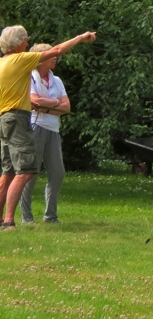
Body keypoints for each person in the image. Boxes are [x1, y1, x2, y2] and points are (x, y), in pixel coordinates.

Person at [0, 26, 95, 229]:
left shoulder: (2, 63)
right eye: (25, 40)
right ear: (17, 44)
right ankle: (9, 221)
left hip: (5, 119)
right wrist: (80, 37)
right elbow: (58, 50)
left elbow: (62, 106)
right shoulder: (20, 60)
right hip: (18, 118)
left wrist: (46, 105)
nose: (27, 44)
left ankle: (2, 219)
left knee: (8, 172)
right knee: (25, 171)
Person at [19, 43, 70, 224]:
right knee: (30, 172)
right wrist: (56, 103)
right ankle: (26, 217)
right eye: (50, 55)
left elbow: (67, 106)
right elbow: (33, 101)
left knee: (57, 172)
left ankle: (51, 215)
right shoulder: (29, 78)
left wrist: (47, 106)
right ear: (40, 60)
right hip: (35, 127)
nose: (55, 57)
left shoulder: (57, 80)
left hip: (53, 129)